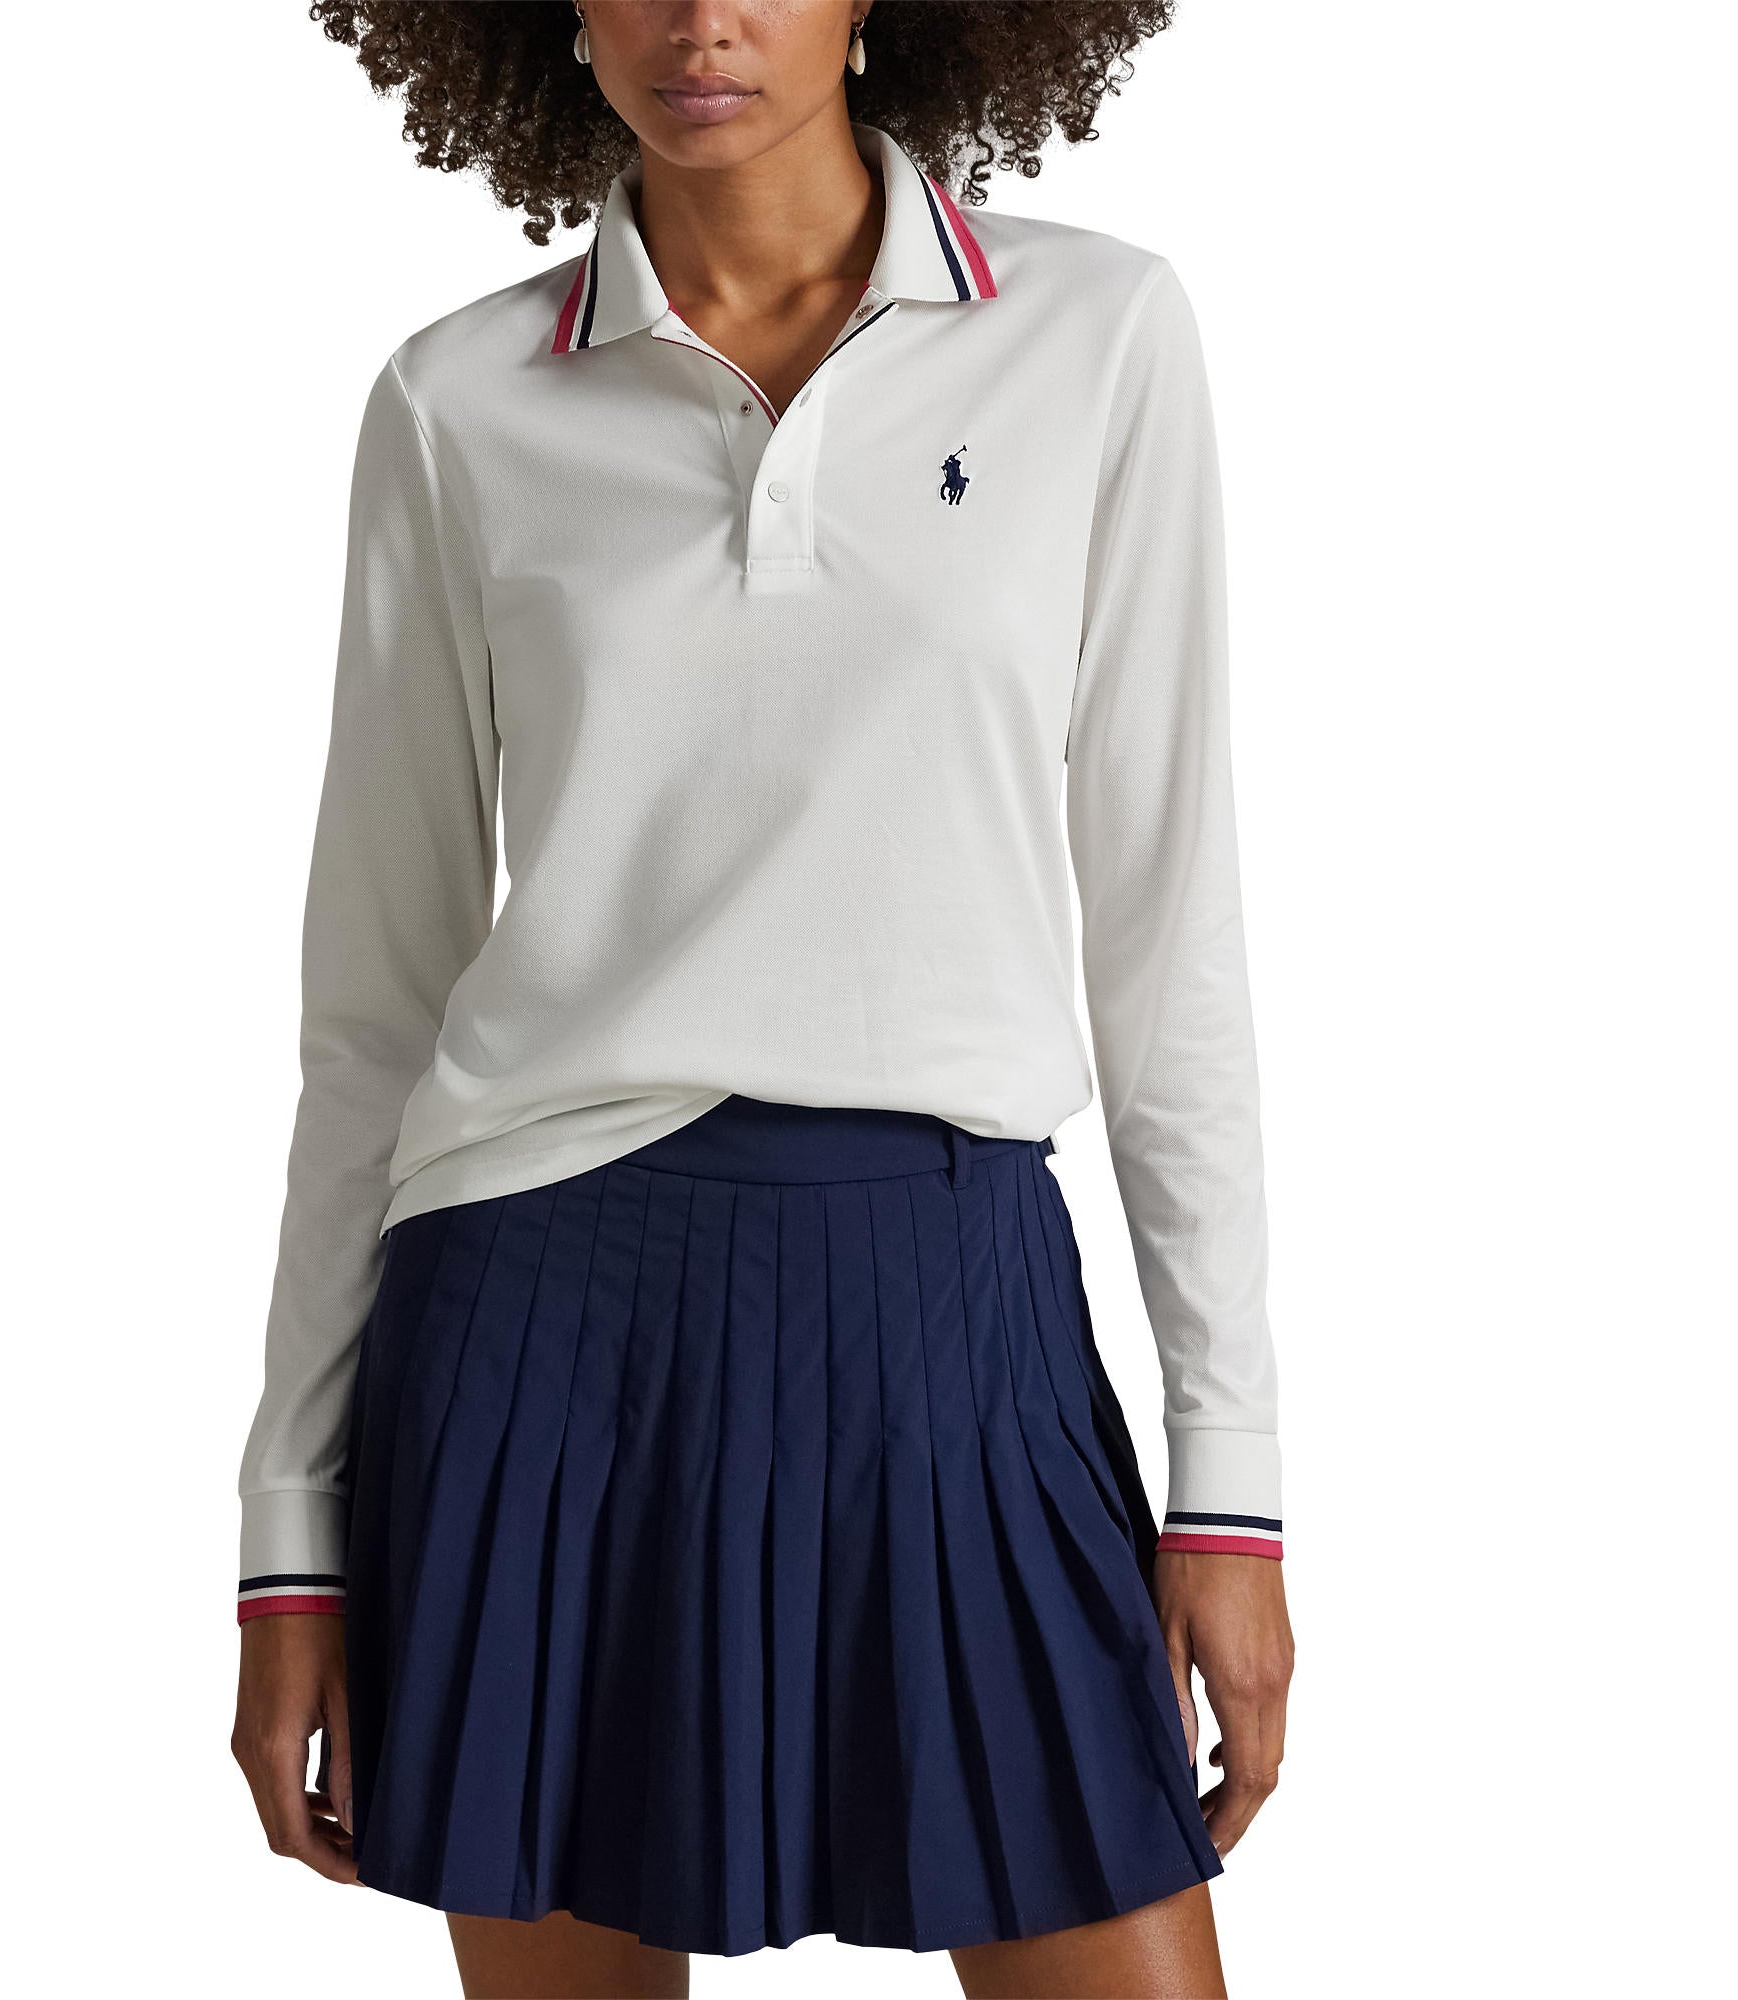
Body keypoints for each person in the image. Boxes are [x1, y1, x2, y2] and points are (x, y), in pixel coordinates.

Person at [229, 5, 1294, 1995]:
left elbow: (1172, 939)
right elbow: (368, 1006)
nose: (698, 16)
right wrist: (290, 1528)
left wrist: (1226, 1489)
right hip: (538, 1334)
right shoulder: (460, 400)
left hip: (953, 1305)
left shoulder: (1097, 338)